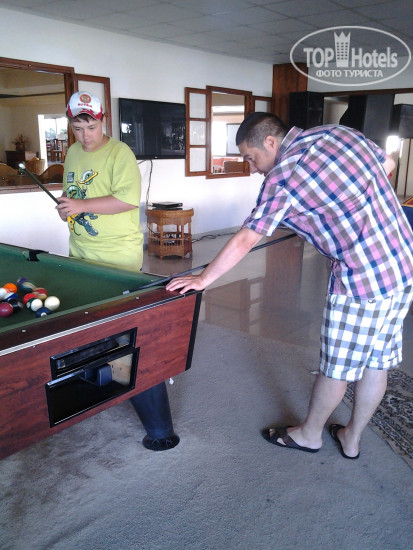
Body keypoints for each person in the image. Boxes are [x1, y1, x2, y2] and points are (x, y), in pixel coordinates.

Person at [166, 112, 413, 459]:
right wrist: (344, 205)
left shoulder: (283, 178)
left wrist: (203, 278)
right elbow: (387, 164)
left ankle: (310, 435)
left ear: (271, 142)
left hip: (361, 278)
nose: (253, 168)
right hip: (402, 262)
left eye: (252, 158)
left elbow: (247, 238)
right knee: (377, 362)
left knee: (337, 367)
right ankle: (351, 438)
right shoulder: (335, 134)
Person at [56, 91, 143, 271]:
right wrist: (65, 207)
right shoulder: (72, 151)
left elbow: (127, 201)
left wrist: (81, 206)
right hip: (79, 250)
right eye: (78, 129)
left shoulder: (120, 152)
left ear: (103, 120)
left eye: (92, 127)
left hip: (117, 253)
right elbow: (69, 189)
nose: (85, 136)